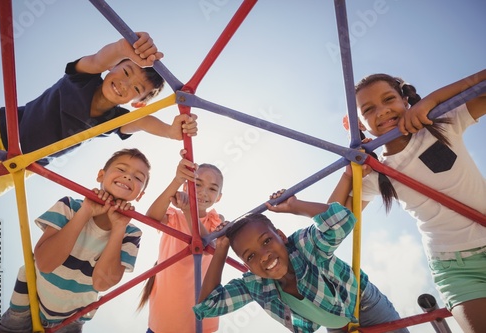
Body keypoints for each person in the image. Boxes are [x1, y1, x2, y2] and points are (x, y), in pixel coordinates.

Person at [332, 69, 486, 332]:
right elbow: (332, 225)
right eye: (368, 109)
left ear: (405, 100)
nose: (381, 112)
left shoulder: (442, 123)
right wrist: (348, 175)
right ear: (357, 124)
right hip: (456, 268)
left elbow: (478, 83)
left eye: (389, 99)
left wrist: (431, 101)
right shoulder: (375, 173)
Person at [0, 31, 198, 204]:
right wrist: (123, 48)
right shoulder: (82, 78)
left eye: (136, 87)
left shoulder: (113, 120)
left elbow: (143, 122)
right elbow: (97, 60)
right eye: (125, 72)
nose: (124, 85)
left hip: (20, 165)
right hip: (0, 130)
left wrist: (171, 132)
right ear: (112, 67)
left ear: (138, 102)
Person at [193, 189, 409, 333]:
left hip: (366, 305)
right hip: (337, 327)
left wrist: (296, 206)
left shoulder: (304, 246)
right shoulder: (255, 285)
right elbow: (207, 306)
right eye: (250, 256)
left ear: (282, 236)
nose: (264, 255)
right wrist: (221, 250)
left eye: (267, 240)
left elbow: (342, 221)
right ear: (246, 266)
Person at [0, 148, 151, 333]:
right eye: (121, 169)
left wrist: (119, 227)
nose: (128, 177)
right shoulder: (70, 206)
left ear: (140, 195)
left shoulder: (130, 232)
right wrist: (85, 212)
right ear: (101, 175)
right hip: (26, 304)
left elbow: (102, 284)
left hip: (71, 319)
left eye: (138, 178)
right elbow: (45, 263)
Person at [138, 151, 224, 333]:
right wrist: (177, 180)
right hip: (165, 319)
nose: (203, 192)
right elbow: (151, 216)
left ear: (219, 197)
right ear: (186, 187)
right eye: (197, 184)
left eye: (212, 188)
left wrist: (188, 211)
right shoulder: (174, 216)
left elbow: (208, 246)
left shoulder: (216, 220)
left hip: (200, 322)